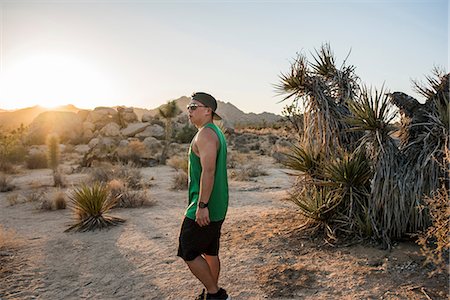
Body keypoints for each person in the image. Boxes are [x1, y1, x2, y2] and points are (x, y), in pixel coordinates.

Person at [177, 92, 230, 300]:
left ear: (208, 111)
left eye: (193, 107)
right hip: (217, 204)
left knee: (187, 250)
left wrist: (202, 205)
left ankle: (216, 295)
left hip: (206, 205)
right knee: (210, 252)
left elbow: (209, 171)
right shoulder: (214, 132)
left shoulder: (206, 134)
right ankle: (212, 292)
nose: (188, 111)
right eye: (188, 107)